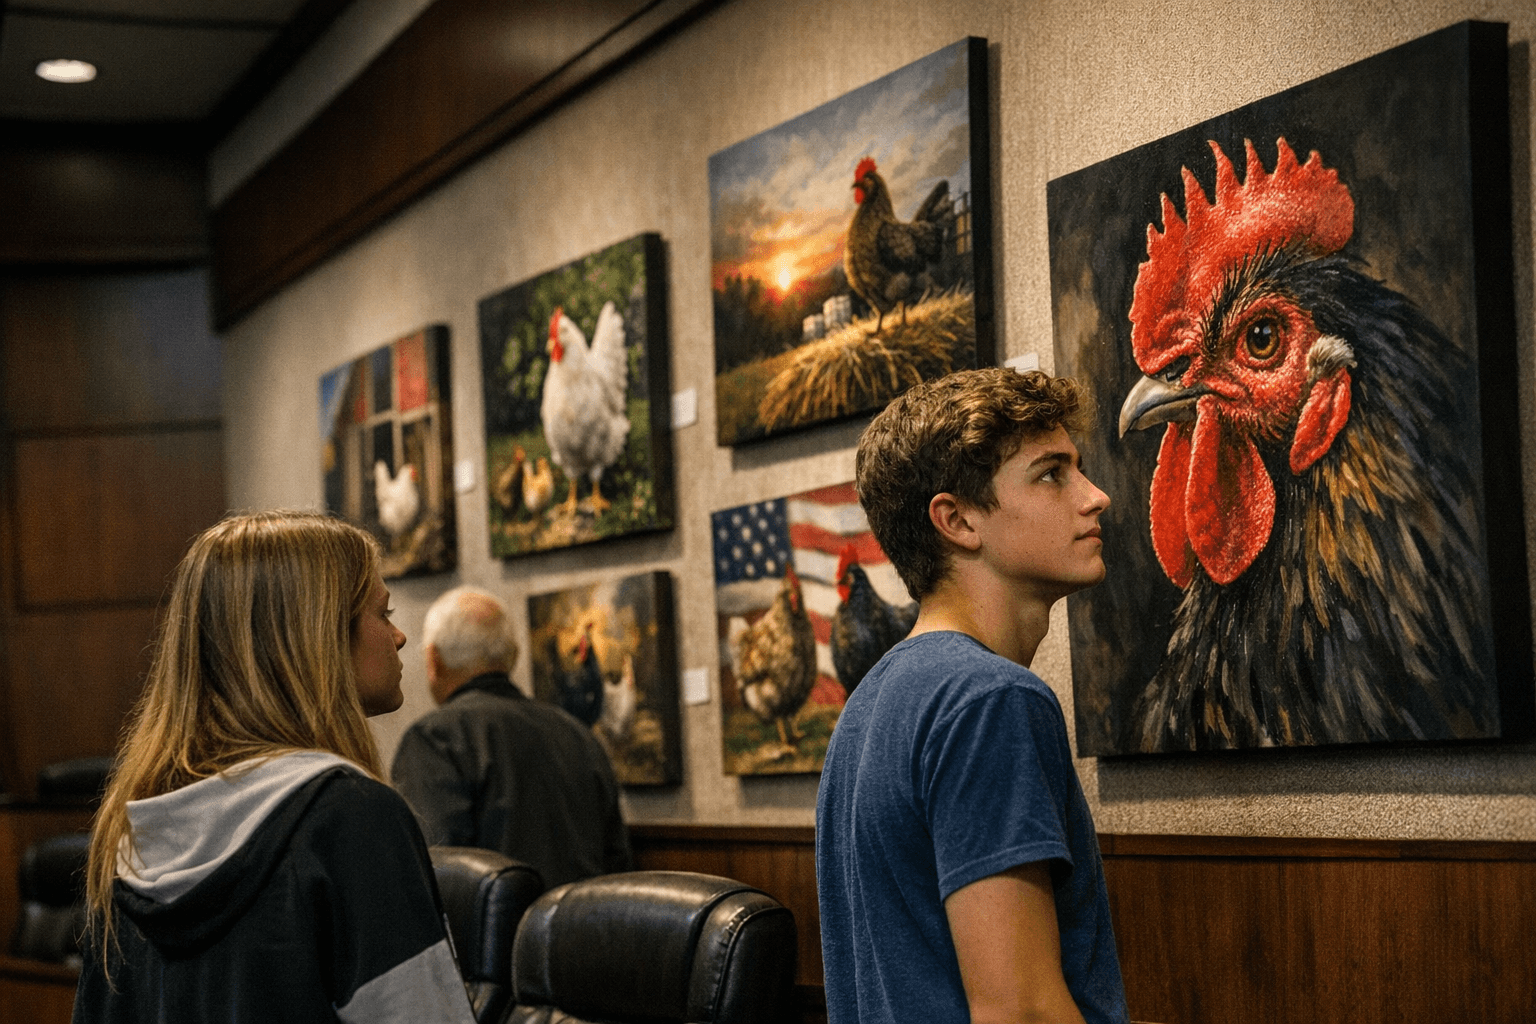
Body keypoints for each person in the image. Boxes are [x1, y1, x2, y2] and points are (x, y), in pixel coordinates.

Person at [75, 511, 475, 1024]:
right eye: (383, 613)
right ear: (318, 636)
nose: (398, 637)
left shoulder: (128, 834)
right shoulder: (349, 816)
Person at [816, 368, 1129, 1024]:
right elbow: (1021, 1012)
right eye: (1052, 474)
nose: (1094, 496)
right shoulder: (990, 701)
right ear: (956, 520)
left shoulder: (870, 703)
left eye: (1079, 468)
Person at [390, 586, 631, 888]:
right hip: (582, 930)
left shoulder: (435, 739)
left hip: (496, 933)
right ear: (513, 655)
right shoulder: (578, 734)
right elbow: (617, 864)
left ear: (434, 661)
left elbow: (436, 873)